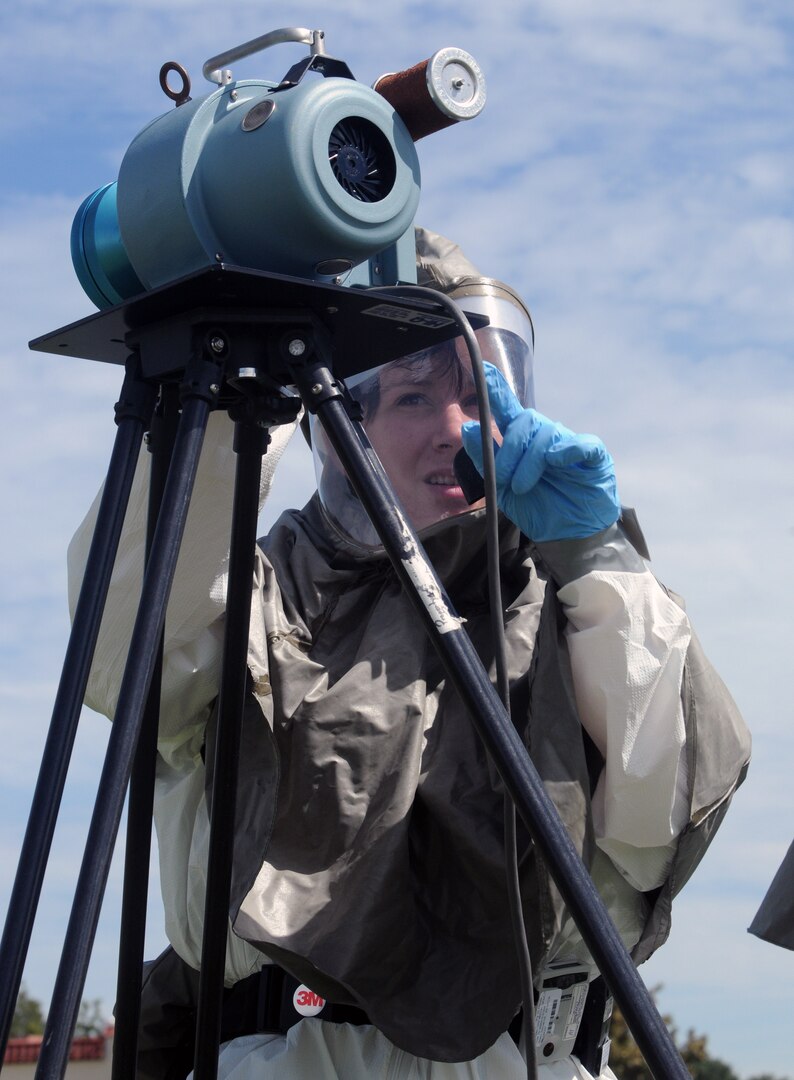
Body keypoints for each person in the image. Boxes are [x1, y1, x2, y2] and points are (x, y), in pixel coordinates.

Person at [68, 228, 751, 1079]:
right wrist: (238, 390)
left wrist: (598, 556)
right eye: (415, 399)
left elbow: (663, 813)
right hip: (289, 1054)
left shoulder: (569, 596)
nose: (454, 431)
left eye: (477, 393)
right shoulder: (259, 589)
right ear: (339, 417)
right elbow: (128, 652)